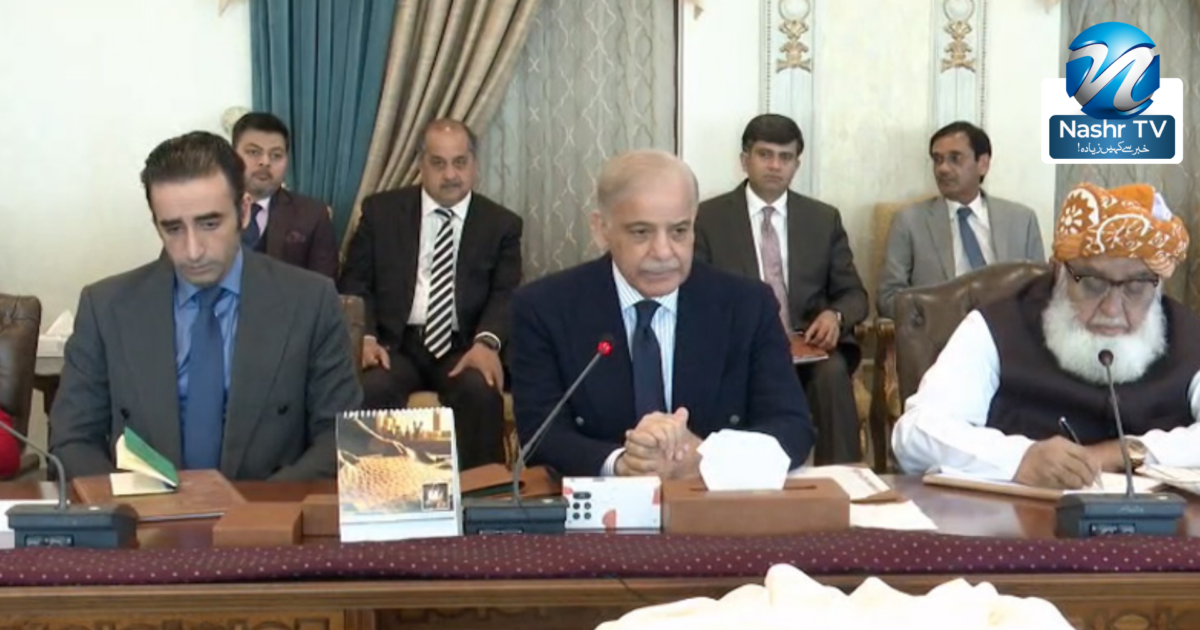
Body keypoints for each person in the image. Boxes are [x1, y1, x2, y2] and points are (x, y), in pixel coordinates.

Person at [49, 131, 362, 481]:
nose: (193, 250)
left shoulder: (311, 301)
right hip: (144, 511)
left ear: (243, 211)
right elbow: (71, 440)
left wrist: (259, 505)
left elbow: (340, 437)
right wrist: (128, 505)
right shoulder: (105, 307)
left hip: (267, 507)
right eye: (173, 229)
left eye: (210, 224)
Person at [510, 149, 815, 478]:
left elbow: (792, 428)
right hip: (602, 503)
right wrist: (621, 463)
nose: (663, 252)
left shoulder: (746, 305)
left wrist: (706, 457)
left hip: (710, 501)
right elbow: (541, 436)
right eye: (641, 232)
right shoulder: (545, 307)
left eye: (678, 231)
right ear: (601, 229)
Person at [892, 182, 1200, 489]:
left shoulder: (1187, 334)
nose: (1112, 308)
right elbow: (915, 433)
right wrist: (1019, 459)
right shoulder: (998, 325)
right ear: (1059, 272)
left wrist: (1125, 452)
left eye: (1135, 286)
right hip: (1021, 517)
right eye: (1092, 282)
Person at [339, 119, 522, 471]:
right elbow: (355, 282)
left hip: (462, 346)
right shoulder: (381, 212)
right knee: (371, 389)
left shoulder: (500, 224)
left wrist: (487, 343)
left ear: (475, 164)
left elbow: (506, 293)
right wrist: (367, 338)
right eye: (438, 163)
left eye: (460, 162)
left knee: (480, 391)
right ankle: (378, 497)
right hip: (394, 344)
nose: (450, 174)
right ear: (420, 164)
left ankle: (483, 495)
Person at [695, 114, 867, 465]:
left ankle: (843, 476)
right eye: (765, 155)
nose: (775, 165)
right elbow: (696, 292)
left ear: (796, 165)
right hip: (739, 349)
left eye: (785, 157)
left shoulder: (822, 219)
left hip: (808, 349)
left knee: (833, 373)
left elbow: (854, 295)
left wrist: (834, 315)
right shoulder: (708, 218)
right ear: (745, 160)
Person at [877, 121, 1045, 318]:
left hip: (1008, 328)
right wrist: (942, 314)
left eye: (955, 158)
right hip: (942, 331)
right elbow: (888, 298)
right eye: (937, 160)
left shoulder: (1022, 220)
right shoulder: (909, 222)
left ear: (983, 164)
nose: (943, 169)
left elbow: (1042, 292)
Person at [231, 112, 339, 280]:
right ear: (232, 156)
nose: (265, 162)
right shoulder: (208, 207)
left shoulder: (312, 214)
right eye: (253, 152)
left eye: (276, 155)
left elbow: (323, 285)